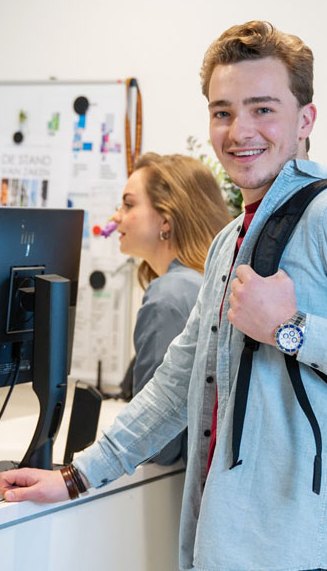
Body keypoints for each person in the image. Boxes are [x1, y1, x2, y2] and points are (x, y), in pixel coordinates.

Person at [0, 21, 327, 571]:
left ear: (305, 118)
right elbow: (176, 385)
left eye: (263, 108)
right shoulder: (228, 240)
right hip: (227, 545)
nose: (239, 130)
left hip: (312, 553)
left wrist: (294, 331)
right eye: (223, 112)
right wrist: (77, 475)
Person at [112, 152, 231, 464]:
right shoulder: (211, 281)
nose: (116, 217)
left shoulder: (169, 294)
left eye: (128, 204)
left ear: (165, 219)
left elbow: (155, 442)